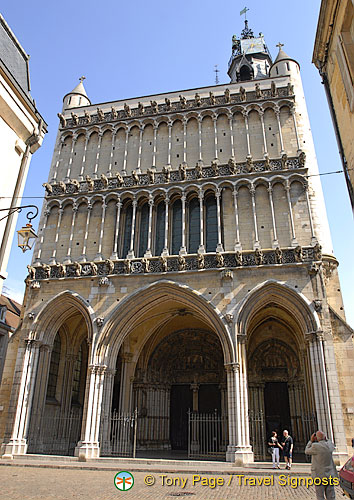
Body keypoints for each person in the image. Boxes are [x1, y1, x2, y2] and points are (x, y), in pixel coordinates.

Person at [305, 430, 337, 500]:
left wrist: (311, 441)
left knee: (320, 496)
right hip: (330, 474)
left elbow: (306, 450)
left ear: (316, 438)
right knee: (331, 495)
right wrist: (325, 438)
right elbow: (330, 442)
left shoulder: (315, 446)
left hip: (319, 475)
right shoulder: (329, 445)